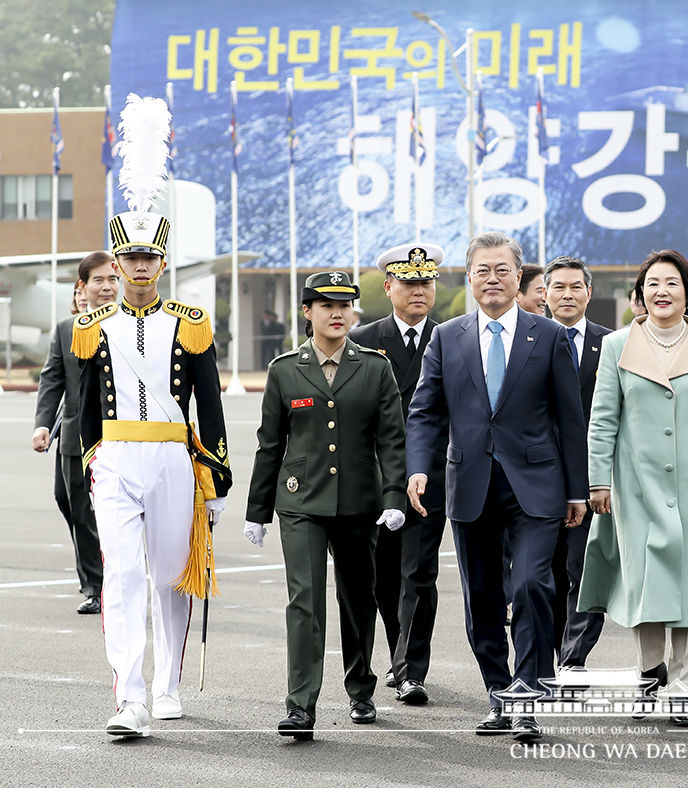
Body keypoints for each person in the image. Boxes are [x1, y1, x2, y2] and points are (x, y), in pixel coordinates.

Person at [76, 95, 232, 738]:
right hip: (116, 457)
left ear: (161, 263)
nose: (138, 269)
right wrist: (93, 458)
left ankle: (167, 683)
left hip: (173, 455)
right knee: (121, 577)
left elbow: (211, 402)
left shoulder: (191, 325)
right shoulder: (90, 327)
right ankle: (130, 696)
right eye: (129, 261)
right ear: (116, 265)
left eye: (149, 260)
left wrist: (217, 474)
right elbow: (86, 406)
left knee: (172, 575)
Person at [405, 232, 588, 744]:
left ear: (518, 277)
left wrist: (578, 490)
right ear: (469, 278)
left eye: (502, 270)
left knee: (532, 584)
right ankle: (500, 694)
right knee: (481, 596)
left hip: (537, 484)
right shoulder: (447, 337)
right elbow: (424, 411)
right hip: (469, 484)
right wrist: (418, 467)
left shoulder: (547, 335)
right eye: (483, 270)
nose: (492, 279)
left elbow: (570, 420)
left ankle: (528, 695)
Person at [579, 249, 688, 728]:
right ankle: (649, 678)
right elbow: (603, 418)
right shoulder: (617, 346)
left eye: (671, 283)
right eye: (652, 283)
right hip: (636, 485)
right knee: (645, 585)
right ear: (640, 294)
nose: (661, 291)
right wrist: (599, 479)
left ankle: (684, 687)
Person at [245, 271, 408, 741]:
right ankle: (300, 706)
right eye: (326, 305)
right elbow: (269, 445)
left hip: (359, 501)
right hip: (300, 501)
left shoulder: (376, 368)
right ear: (307, 312)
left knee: (358, 599)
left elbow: (392, 440)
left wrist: (393, 495)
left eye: (345, 306)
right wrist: (258, 510)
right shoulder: (284, 369)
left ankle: (360, 688)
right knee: (304, 601)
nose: (337, 314)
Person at [350, 243, 448, 706]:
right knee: (382, 576)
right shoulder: (364, 340)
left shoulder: (453, 338)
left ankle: (411, 669)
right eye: (408, 283)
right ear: (388, 287)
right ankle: (397, 654)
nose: (418, 291)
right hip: (377, 478)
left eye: (425, 282)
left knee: (419, 572)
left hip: (431, 474)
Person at [32, 252, 118, 615]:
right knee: (69, 504)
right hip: (71, 437)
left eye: (112, 280)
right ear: (83, 287)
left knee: (92, 512)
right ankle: (96, 576)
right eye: (98, 280)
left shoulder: (132, 326)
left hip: (116, 437)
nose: (107, 287)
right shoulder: (67, 328)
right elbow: (52, 379)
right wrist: (42, 423)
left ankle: (100, 586)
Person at [543, 255, 611, 669]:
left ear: (589, 292)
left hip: (595, 478)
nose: (567, 294)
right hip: (539, 477)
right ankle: (549, 656)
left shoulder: (614, 344)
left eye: (576, 287)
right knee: (541, 576)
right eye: (558, 287)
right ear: (544, 294)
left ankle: (573, 658)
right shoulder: (526, 340)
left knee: (587, 572)